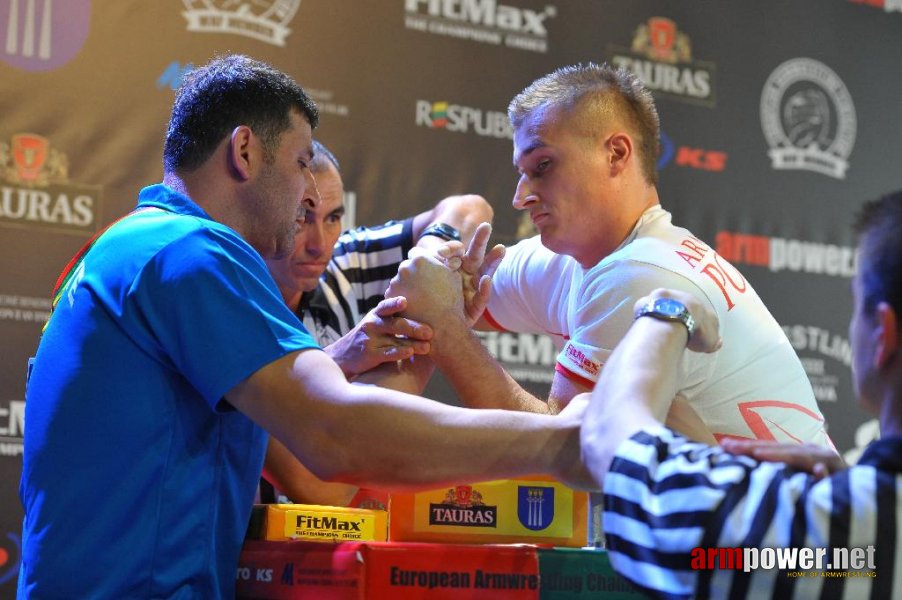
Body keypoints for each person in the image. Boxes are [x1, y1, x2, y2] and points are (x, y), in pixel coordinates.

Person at [17, 54, 587, 598]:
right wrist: (561, 440)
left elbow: (316, 481)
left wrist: (407, 339)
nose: (309, 193)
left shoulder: (139, 244)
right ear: (244, 151)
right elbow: (334, 438)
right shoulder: (190, 252)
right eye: (299, 165)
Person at [386, 61, 834, 544]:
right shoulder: (579, 255)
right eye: (521, 173)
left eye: (542, 167)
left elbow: (561, 459)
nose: (520, 196)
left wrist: (450, 334)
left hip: (796, 556)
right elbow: (447, 294)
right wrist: (444, 282)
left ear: (616, 154)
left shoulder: (641, 272)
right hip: (738, 538)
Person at [580, 190, 902, 598]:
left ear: (882, 334)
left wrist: (666, 314)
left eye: (855, 305)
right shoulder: (856, 537)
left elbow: (609, 443)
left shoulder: (835, 538)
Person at [261, 139, 493, 506]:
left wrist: (430, 266)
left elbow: (469, 209)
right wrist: (338, 356)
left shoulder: (347, 263)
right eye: (301, 218)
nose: (320, 244)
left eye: (334, 217)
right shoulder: (227, 295)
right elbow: (325, 486)